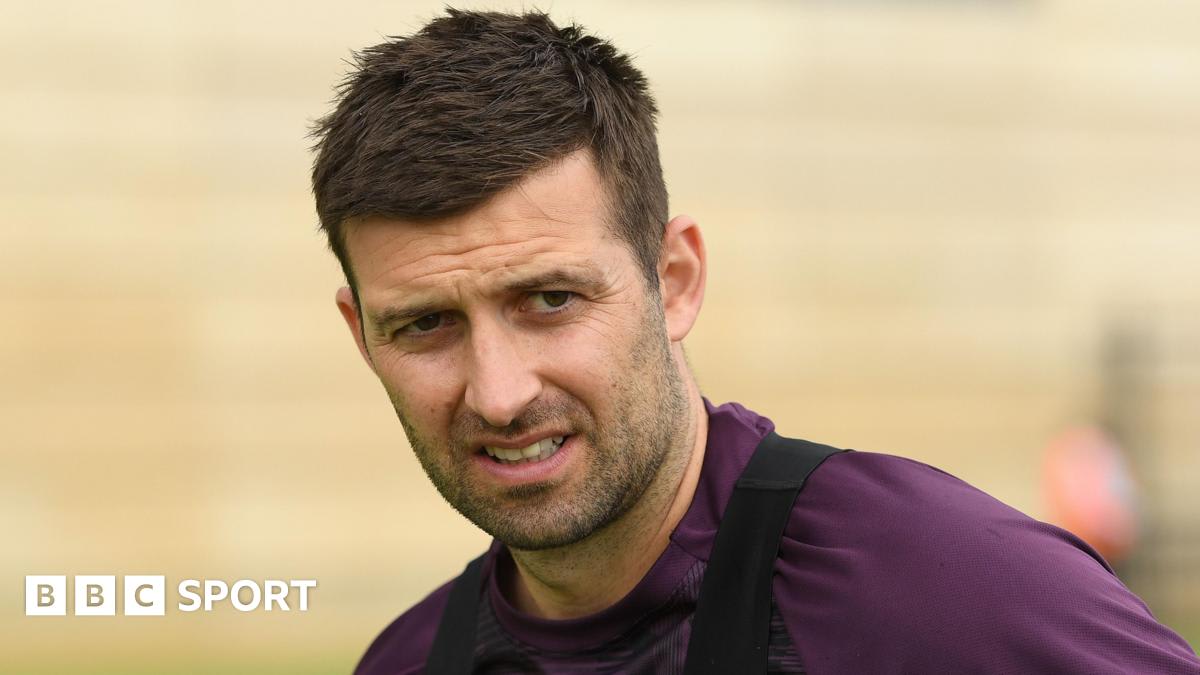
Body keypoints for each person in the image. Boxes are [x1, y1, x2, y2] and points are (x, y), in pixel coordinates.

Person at [309, 8, 1200, 674]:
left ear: (675, 280)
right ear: (362, 335)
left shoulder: (950, 590)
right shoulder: (407, 659)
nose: (498, 393)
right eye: (426, 324)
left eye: (549, 299)